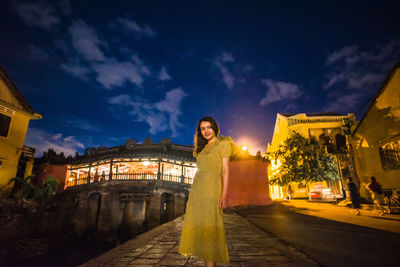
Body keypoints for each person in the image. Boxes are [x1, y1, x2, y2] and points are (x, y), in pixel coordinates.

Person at [178, 116, 232, 267]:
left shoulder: (223, 144)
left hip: (212, 189)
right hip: (197, 191)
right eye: (203, 129)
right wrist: (196, 141)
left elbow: (226, 171)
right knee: (201, 230)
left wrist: (225, 194)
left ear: (215, 127)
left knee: (211, 231)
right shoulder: (201, 149)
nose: (206, 131)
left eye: (209, 127)